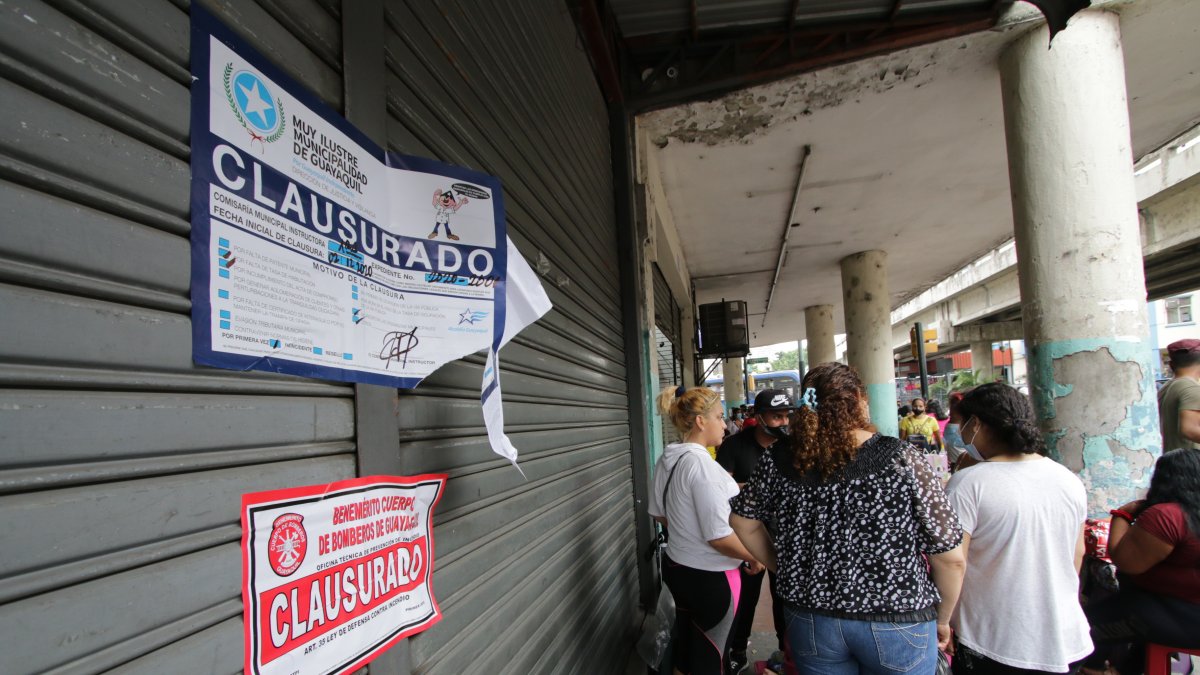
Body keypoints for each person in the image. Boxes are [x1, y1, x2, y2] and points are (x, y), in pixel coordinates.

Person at [730, 363, 966, 674]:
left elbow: (742, 522)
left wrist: (784, 566)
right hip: (897, 620)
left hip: (812, 620)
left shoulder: (779, 458)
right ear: (858, 399)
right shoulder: (900, 457)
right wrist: (944, 618)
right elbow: (950, 557)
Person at [944, 383, 1093, 674]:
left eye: (962, 424)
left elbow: (952, 563)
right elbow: (1077, 554)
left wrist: (943, 619)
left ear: (976, 424)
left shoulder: (968, 484)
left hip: (996, 641)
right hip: (1066, 634)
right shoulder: (1067, 479)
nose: (961, 433)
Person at [649, 386, 764, 675]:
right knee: (712, 658)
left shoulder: (667, 458)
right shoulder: (704, 468)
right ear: (701, 421)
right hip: (713, 579)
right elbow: (720, 538)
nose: (725, 424)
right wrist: (754, 556)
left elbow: (659, 513)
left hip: (678, 568)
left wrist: (687, 531)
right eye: (719, 416)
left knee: (685, 652)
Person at [1082, 448, 1200, 675]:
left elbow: (1126, 562)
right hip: (1183, 613)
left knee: (1083, 628)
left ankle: (1093, 669)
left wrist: (1123, 515)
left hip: (1180, 618)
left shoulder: (1168, 515)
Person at [717, 389, 794, 673]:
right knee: (745, 599)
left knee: (784, 600)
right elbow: (720, 489)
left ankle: (786, 652)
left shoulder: (793, 448)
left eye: (787, 416)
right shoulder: (733, 446)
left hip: (783, 538)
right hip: (744, 537)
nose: (783, 422)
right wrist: (755, 490)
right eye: (777, 416)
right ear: (758, 417)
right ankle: (737, 650)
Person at [1158, 339, 1200, 452]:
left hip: (1172, 461)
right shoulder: (1191, 388)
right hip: (1190, 464)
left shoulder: (1166, 387)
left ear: (1171, 364)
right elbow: (1189, 429)